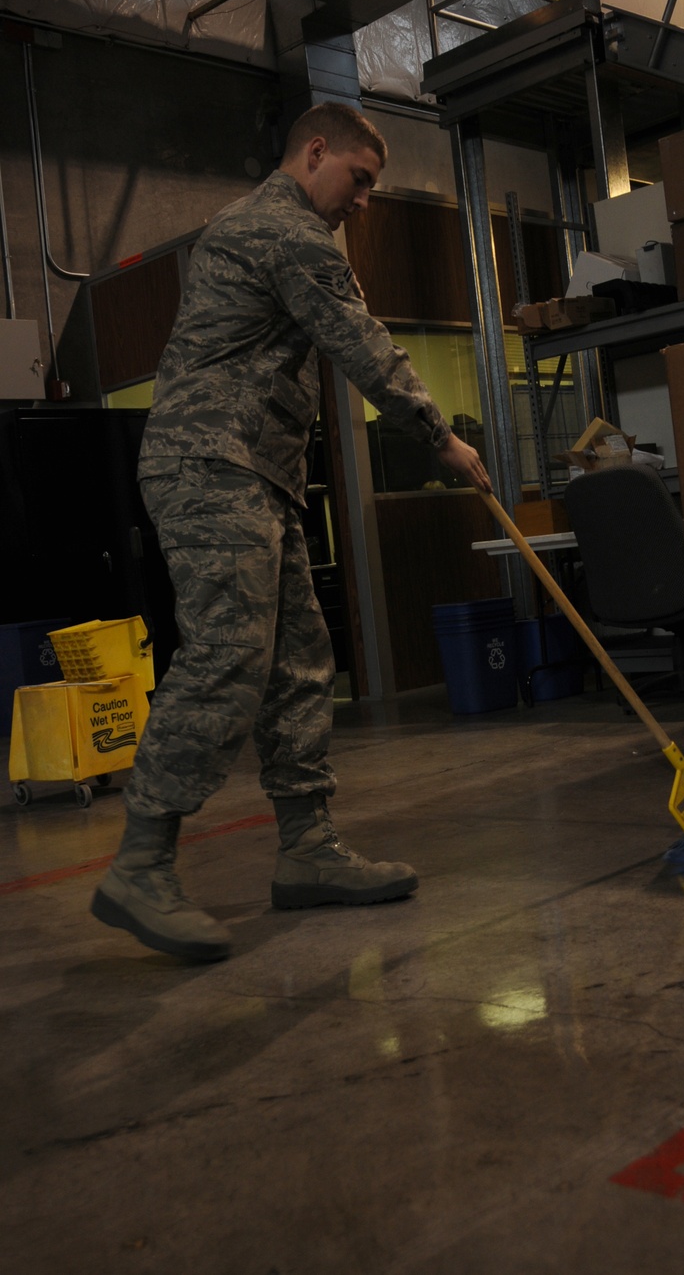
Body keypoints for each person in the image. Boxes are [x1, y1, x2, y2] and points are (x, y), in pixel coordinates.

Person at [91, 102, 491, 963]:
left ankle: (307, 847)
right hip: (210, 463)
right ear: (315, 154)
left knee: (302, 656)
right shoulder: (286, 232)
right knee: (230, 651)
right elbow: (362, 345)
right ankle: (141, 862)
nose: (365, 201)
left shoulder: (277, 229)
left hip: (257, 473)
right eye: (360, 179)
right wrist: (443, 438)